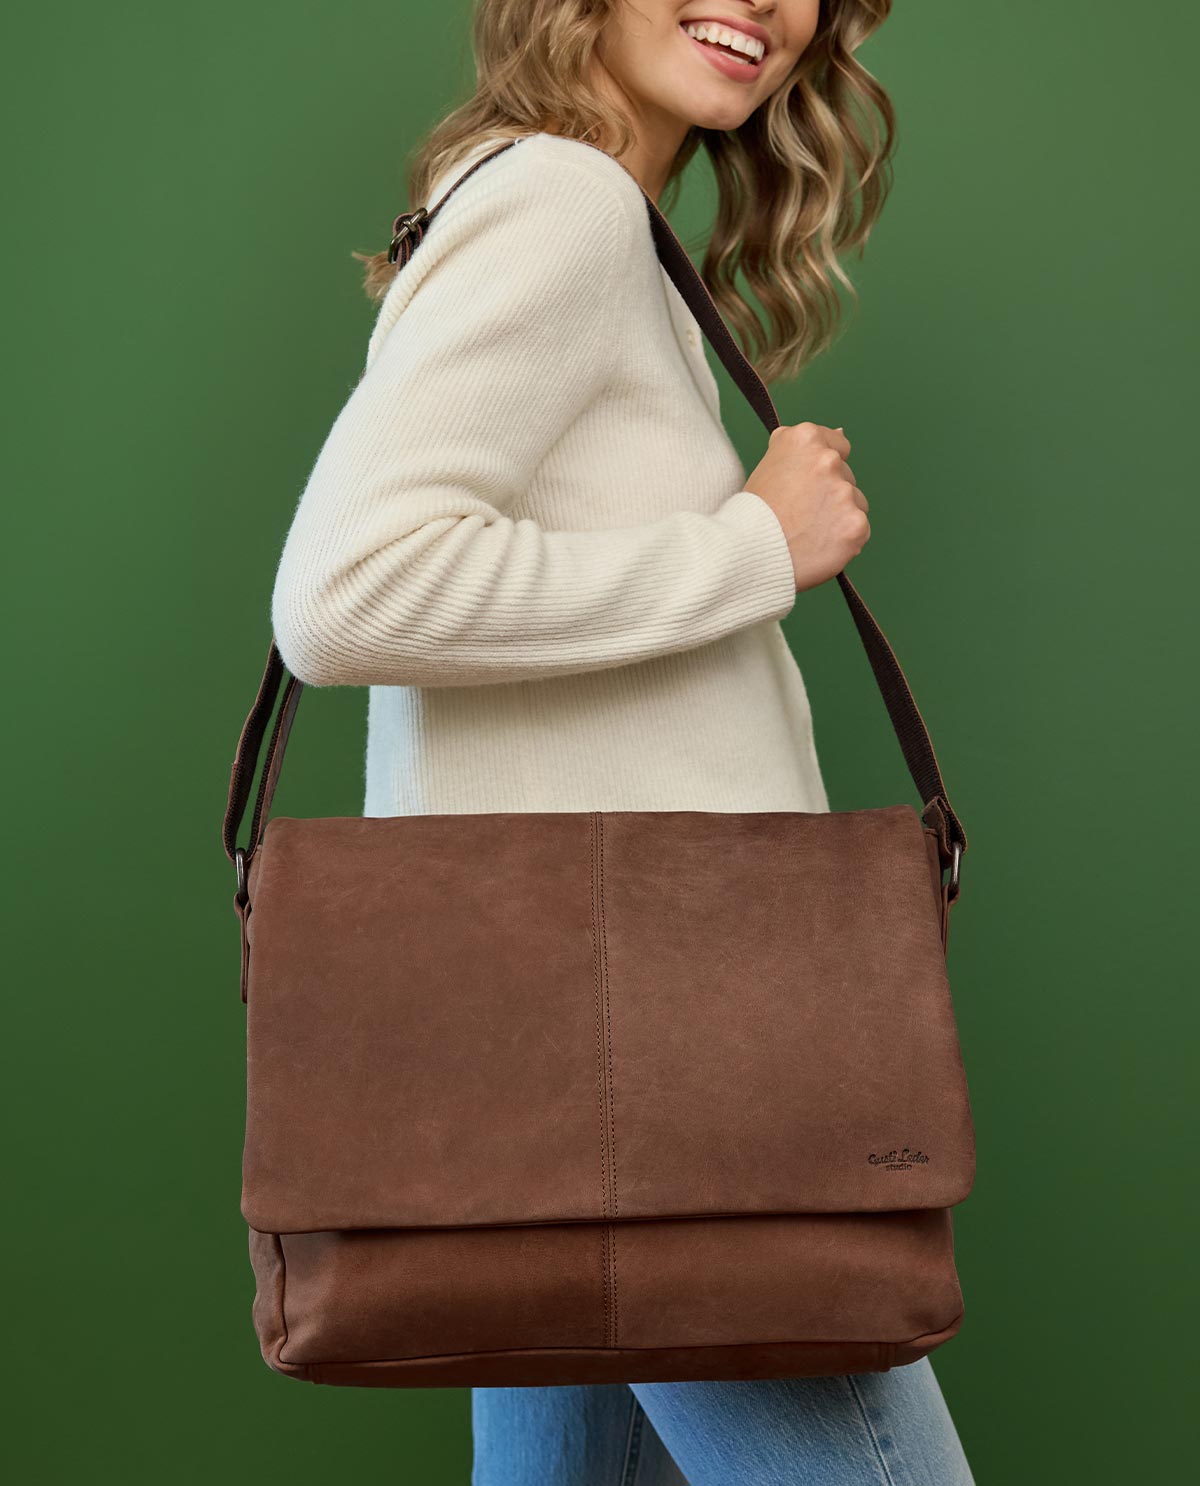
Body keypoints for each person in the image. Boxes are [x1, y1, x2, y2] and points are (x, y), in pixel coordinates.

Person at [270, 0, 974, 1480]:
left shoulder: (595, 219)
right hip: (668, 1074)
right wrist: (753, 548)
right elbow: (346, 594)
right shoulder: (564, 201)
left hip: (559, 1065)